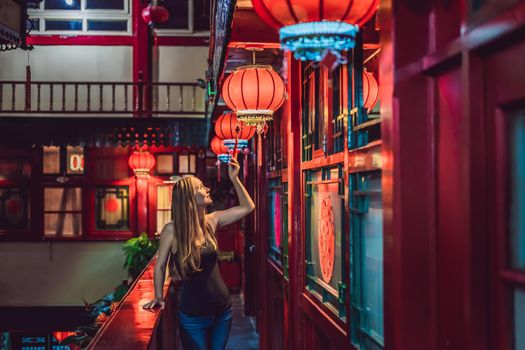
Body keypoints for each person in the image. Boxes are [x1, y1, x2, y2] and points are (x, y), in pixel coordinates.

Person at [142, 158, 255, 350]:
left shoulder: (212, 221)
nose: (208, 189)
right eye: (201, 187)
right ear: (189, 197)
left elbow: (248, 207)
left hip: (223, 310)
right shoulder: (172, 230)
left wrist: (235, 179)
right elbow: (160, 265)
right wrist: (159, 296)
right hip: (193, 316)